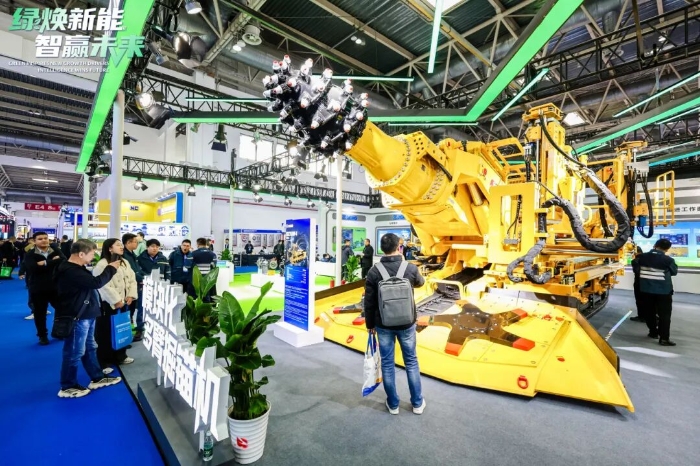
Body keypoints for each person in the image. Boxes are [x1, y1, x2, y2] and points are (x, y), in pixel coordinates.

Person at [364, 233, 426, 415]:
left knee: (387, 363)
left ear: (382, 249)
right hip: (407, 323)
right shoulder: (410, 268)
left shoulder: (374, 271)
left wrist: (370, 324)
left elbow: (369, 302)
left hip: (383, 324)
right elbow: (421, 283)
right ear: (399, 247)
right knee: (411, 362)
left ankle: (393, 404)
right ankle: (417, 403)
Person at [56, 239, 123, 398]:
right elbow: (95, 283)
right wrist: (111, 269)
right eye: (92, 253)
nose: (94, 256)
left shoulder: (76, 268)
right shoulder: (70, 270)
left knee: (90, 347)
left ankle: (97, 377)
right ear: (81, 254)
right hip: (77, 317)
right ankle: (68, 385)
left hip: (87, 314)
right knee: (74, 352)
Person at [93, 239, 138, 367]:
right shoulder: (102, 264)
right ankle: (105, 361)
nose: (121, 247)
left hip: (125, 302)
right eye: (118, 245)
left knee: (122, 329)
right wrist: (116, 300)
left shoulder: (124, 262)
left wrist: (130, 295)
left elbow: (132, 280)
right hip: (109, 303)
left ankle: (121, 356)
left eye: (121, 244)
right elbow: (103, 286)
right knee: (106, 331)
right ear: (110, 248)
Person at [22, 231, 65, 345]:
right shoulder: (30, 254)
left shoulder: (55, 250)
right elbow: (33, 269)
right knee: (40, 314)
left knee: (62, 310)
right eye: (40, 239)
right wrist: (53, 261)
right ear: (34, 241)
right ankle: (42, 335)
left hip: (56, 287)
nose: (44, 240)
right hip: (38, 288)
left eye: (45, 238)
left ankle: (58, 331)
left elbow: (64, 261)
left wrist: (45, 263)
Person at [633, 238, 678, 346]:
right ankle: (664, 338)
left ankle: (653, 332)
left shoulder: (641, 257)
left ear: (655, 245)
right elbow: (674, 272)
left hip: (646, 290)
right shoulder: (668, 260)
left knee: (649, 312)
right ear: (667, 249)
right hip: (664, 291)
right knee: (665, 315)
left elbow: (636, 268)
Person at [122, 233, 146, 341]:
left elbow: (137, 270)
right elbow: (131, 272)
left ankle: (129, 335)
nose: (137, 244)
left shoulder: (133, 254)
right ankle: (125, 337)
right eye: (135, 242)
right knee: (127, 312)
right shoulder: (124, 256)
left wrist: (144, 277)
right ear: (128, 243)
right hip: (128, 288)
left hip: (135, 286)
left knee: (132, 311)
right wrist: (141, 278)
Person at [190, 237, 217, 301]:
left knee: (196, 295)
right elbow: (214, 266)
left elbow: (188, 266)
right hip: (208, 278)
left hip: (196, 278)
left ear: (197, 244)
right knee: (207, 294)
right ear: (205, 244)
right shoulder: (212, 254)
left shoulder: (193, 254)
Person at [630, 246, 645, 322]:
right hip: (649, 284)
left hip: (639, 283)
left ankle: (641, 317)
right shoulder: (648, 259)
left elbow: (636, 271)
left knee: (639, 300)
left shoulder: (635, 261)